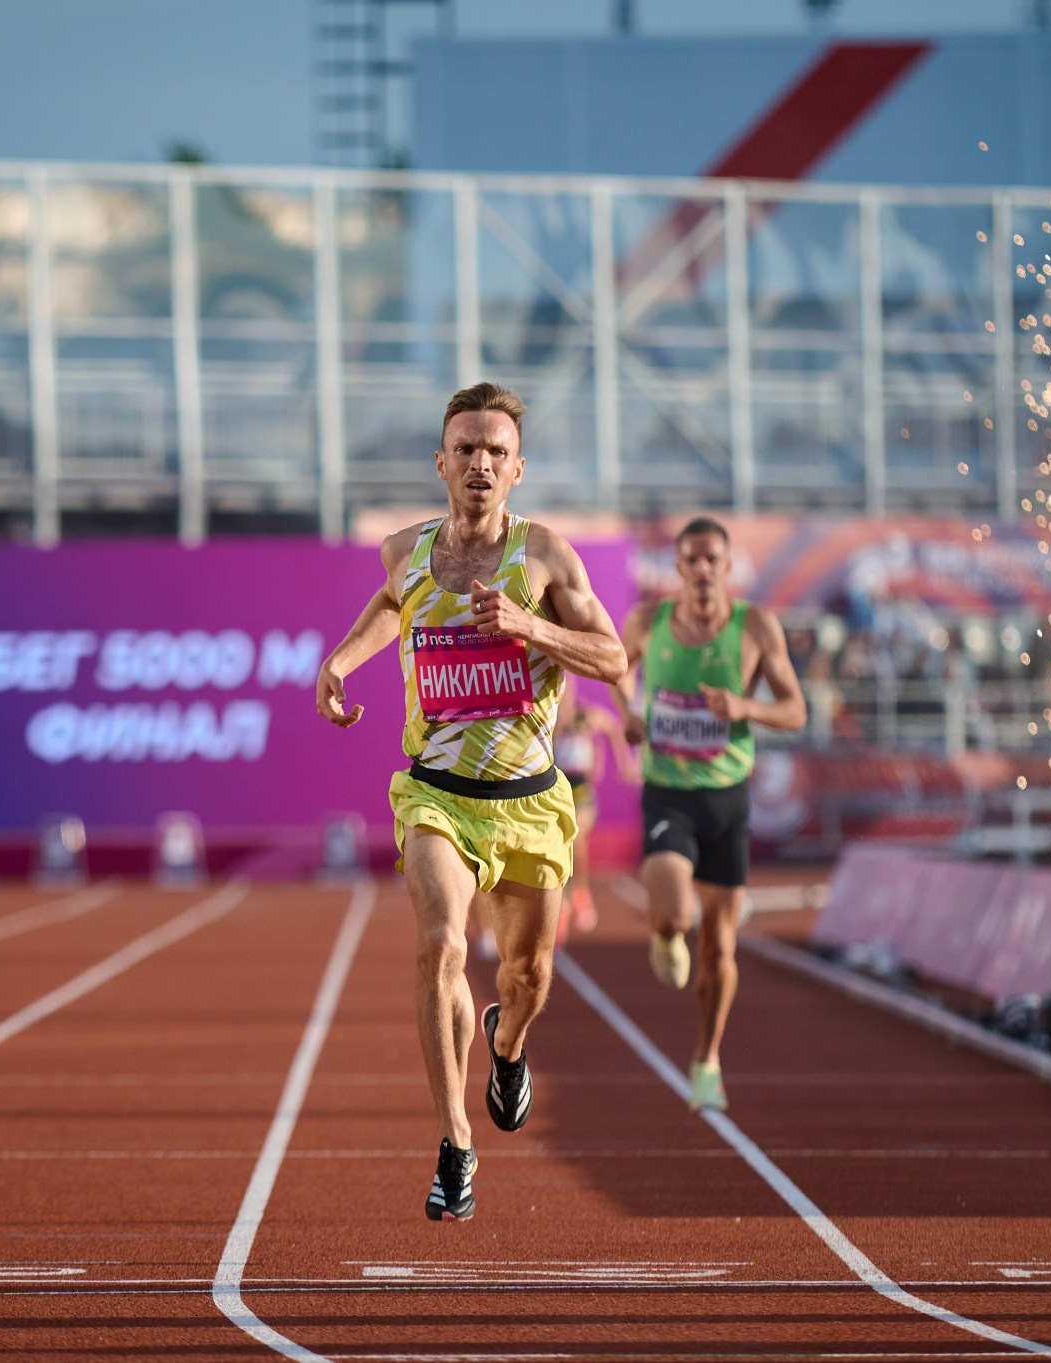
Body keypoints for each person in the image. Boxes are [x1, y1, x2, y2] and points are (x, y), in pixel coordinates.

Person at [315, 382, 626, 1221]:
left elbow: (613, 658)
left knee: (526, 977)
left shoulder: (545, 556)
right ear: (441, 462)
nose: (480, 462)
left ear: (517, 469)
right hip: (437, 796)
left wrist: (533, 629)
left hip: (528, 802)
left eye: (496, 451)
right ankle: (455, 1141)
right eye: (466, 448)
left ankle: (507, 1042)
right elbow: (392, 605)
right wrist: (340, 661)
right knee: (441, 944)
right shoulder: (406, 552)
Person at [611, 516, 806, 1112]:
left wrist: (744, 707)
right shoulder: (649, 623)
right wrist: (629, 712)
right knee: (675, 913)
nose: (701, 570)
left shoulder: (756, 627)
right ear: (678, 567)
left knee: (720, 949)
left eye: (711, 560)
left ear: (727, 566)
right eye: (691, 560)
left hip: (727, 800)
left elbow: (795, 710)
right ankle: (666, 931)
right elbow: (613, 666)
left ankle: (706, 1061)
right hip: (669, 793)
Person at [551, 696, 634, 936]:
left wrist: (624, 762)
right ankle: (563, 900)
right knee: (560, 847)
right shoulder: (549, 718)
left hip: (583, 795)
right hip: (558, 796)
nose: (565, 707)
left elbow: (613, 727)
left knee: (576, 838)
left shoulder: (587, 718)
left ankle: (580, 893)